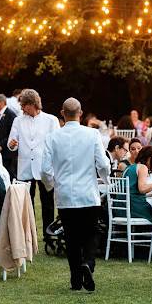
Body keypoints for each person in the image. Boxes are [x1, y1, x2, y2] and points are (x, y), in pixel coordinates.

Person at [41, 98, 110, 291]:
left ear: (62, 113)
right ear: (80, 113)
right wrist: (105, 179)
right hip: (88, 193)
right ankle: (88, 262)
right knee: (91, 233)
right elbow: (103, 164)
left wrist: (53, 185)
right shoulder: (92, 134)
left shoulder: (52, 137)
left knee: (71, 237)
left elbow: (45, 170)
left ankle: (76, 280)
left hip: (65, 195)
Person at [8, 89, 60, 239]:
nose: (23, 109)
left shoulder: (51, 120)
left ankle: (48, 234)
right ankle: (29, 235)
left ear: (33, 104)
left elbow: (56, 143)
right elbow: (12, 143)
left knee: (48, 202)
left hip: (44, 167)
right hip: (25, 167)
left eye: (24, 105)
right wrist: (12, 144)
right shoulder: (18, 120)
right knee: (27, 203)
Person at [123, 146, 152, 223]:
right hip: (133, 207)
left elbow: (135, 191)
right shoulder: (142, 167)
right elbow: (142, 189)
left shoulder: (129, 167)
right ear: (148, 158)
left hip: (122, 207)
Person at [0, 94, 18, 179]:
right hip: (1, 151)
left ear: (2, 103)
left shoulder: (10, 114)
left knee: (9, 173)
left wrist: (1, 145)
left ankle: (14, 191)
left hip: (8, 152)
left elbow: (12, 133)